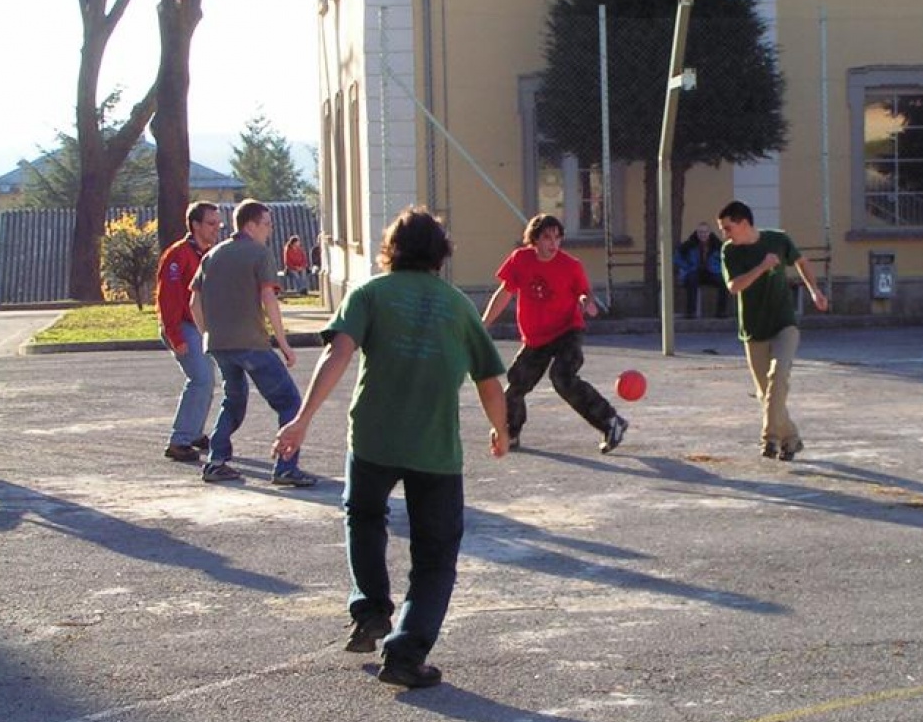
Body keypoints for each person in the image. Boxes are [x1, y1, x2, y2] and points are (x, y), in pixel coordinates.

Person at [275, 209, 508, 688]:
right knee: (436, 556)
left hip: (374, 440)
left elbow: (336, 353)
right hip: (435, 449)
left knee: (362, 517)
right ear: (442, 253)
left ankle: (371, 611)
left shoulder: (371, 294)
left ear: (391, 248)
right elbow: (489, 379)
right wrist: (500, 430)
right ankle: (405, 653)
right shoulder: (459, 306)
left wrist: (302, 420)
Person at [190, 199, 317, 488]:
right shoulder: (259, 254)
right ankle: (286, 467)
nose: (270, 230)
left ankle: (216, 461)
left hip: (219, 344)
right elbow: (268, 298)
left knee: (233, 401)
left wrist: (208, 334)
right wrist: (283, 343)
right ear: (250, 225)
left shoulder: (213, 254)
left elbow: (194, 302)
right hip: (251, 343)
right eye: (267, 224)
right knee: (290, 403)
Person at [481, 213, 628, 454]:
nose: (553, 244)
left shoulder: (571, 266)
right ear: (534, 239)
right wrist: (484, 323)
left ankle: (611, 423)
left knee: (562, 377)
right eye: (547, 237)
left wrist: (585, 302)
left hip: (567, 332)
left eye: (557, 238)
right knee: (517, 384)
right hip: (536, 338)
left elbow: (585, 293)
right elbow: (505, 292)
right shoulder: (520, 259)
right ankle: (511, 432)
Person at [717, 200, 830, 460]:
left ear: (744, 223)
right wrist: (762, 267)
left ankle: (769, 439)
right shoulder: (729, 252)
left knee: (778, 376)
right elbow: (734, 287)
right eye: (723, 229)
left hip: (784, 324)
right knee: (766, 394)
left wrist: (815, 290)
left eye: (728, 228)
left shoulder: (778, 239)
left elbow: (801, 262)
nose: (725, 234)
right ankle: (791, 439)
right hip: (753, 330)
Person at [155, 201, 222, 462]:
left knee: (208, 380)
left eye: (218, 223)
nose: (216, 228)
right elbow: (167, 298)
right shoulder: (177, 255)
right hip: (183, 326)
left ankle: (194, 433)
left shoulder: (210, 253)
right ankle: (179, 440)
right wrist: (175, 336)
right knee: (201, 380)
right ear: (195, 225)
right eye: (211, 223)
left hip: (199, 327)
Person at [674, 221, 728, 318]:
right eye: (700, 232)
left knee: (724, 282)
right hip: (694, 271)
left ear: (709, 232)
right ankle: (691, 313)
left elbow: (725, 259)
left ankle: (721, 312)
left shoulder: (717, 245)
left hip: (711, 272)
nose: (703, 234)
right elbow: (676, 258)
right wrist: (687, 267)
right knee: (691, 279)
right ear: (697, 233)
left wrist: (719, 268)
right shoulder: (688, 245)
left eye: (705, 232)